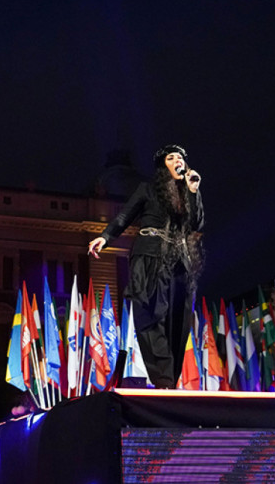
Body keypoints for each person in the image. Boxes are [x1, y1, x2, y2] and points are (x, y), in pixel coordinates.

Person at [88, 145, 204, 388]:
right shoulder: (147, 189)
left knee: (178, 319)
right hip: (149, 256)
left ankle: (169, 379)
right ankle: (163, 378)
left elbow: (196, 224)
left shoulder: (188, 192)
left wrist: (193, 191)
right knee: (151, 313)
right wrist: (105, 237)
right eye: (171, 158)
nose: (178, 161)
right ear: (163, 166)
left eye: (180, 158)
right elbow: (125, 216)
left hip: (179, 261)